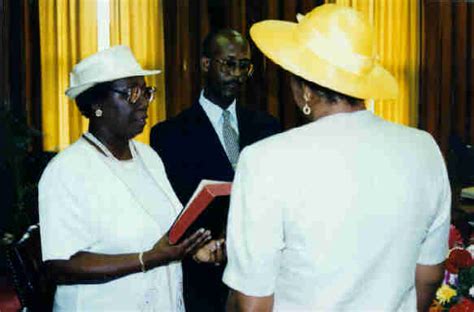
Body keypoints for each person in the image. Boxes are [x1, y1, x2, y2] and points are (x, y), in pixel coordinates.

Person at [224, 4, 450, 311]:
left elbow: (253, 303)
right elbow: (428, 275)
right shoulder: (424, 149)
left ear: (304, 90)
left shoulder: (264, 160)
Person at [38, 45, 216, 311]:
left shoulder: (149, 157)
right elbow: (59, 265)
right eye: (131, 93)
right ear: (96, 104)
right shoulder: (66, 170)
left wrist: (195, 248)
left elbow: (169, 234)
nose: (144, 101)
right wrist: (148, 259)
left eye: (146, 92)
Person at [150, 29, 281, 311]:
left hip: (260, 274)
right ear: (206, 64)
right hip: (201, 277)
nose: (236, 74)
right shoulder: (169, 135)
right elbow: (169, 208)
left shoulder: (268, 127)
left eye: (244, 66)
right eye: (228, 64)